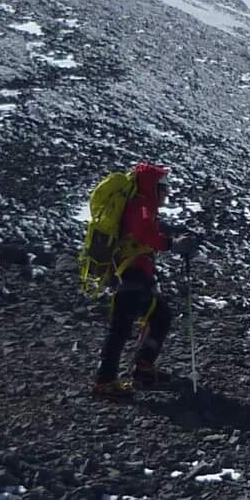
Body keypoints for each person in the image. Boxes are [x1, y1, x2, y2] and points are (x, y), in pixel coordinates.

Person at [91, 163, 196, 397]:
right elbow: (144, 234)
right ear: (153, 187)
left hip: (131, 274)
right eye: (164, 186)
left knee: (153, 318)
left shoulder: (140, 205)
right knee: (129, 326)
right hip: (133, 275)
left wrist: (170, 236)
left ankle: (137, 371)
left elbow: (146, 231)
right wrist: (171, 244)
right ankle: (110, 380)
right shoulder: (142, 206)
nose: (167, 192)